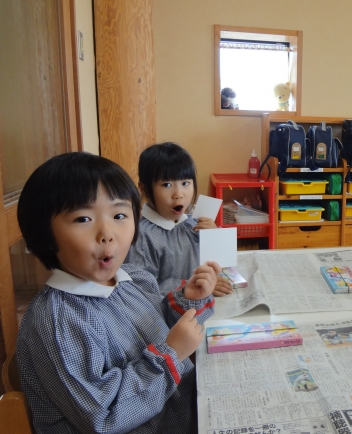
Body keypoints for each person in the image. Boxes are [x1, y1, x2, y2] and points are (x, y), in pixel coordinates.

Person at [16, 152, 218, 433]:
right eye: (83, 218)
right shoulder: (58, 322)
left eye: (119, 215)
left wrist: (188, 301)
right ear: (44, 235)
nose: (107, 233)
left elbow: (158, 327)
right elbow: (105, 416)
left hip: (183, 415)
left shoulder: (131, 278)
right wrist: (172, 354)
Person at [126, 142, 232, 297]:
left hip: (202, 302)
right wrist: (194, 286)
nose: (179, 194)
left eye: (185, 183)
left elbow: (222, 263)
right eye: (167, 184)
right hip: (169, 308)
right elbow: (142, 290)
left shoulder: (193, 223)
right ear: (144, 189)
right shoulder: (142, 236)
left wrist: (214, 236)